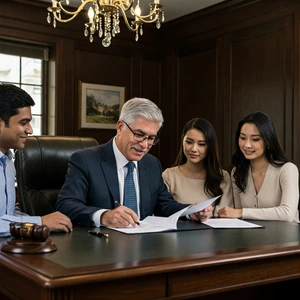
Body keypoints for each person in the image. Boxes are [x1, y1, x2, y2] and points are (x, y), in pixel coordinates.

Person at [56, 98, 213, 228]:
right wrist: (104, 216)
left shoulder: (151, 164)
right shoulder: (85, 160)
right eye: (139, 135)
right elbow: (66, 205)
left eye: (151, 138)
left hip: (144, 248)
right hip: (101, 247)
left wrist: (190, 211)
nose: (144, 145)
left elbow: (165, 205)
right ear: (120, 127)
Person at [0, 83, 73, 237]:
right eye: (23, 123)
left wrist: (36, 224)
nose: (30, 130)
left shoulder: (7, 161)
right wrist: (39, 222)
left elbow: (9, 213)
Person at [218, 111, 299, 222]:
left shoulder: (287, 169)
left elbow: (287, 213)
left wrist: (242, 212)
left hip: (286, 238)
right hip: (251, 238)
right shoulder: (237, 172)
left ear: (268, 141)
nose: (247, 145)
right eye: (242, 138)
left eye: (255, 139)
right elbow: (236, 218)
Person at [162, 118, 233, 217]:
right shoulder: (169, 175)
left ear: (210, 147)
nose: (194, 149)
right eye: (189, 142)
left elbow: (225, 214)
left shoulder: (222, 176)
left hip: (214, 231)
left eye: (201, 144)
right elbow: (163, 210)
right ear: (183, 141)